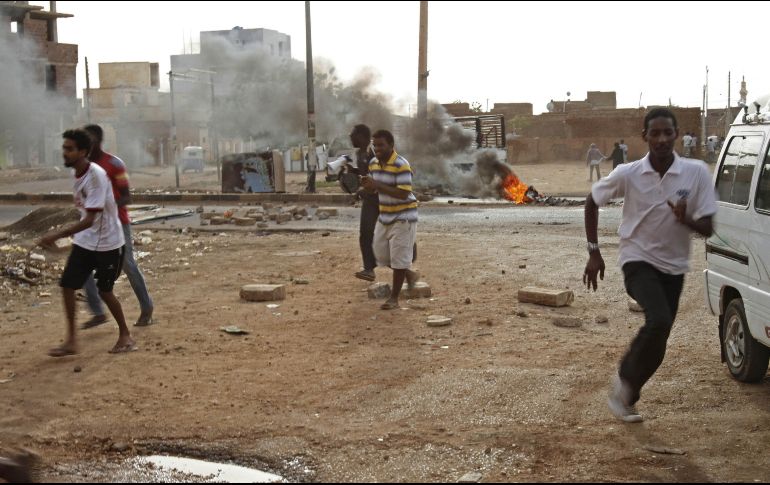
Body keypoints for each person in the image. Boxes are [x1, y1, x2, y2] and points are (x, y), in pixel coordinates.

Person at [583, 108, 717, 423]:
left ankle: (628, 397)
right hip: (637, 260)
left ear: (676, 134)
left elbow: (709, 228)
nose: (660, 139)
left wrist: (687, 219)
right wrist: (593, 251)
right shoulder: (629, 173)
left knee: (660, 339)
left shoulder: (696, 172)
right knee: (657, 321)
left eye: (667, 133)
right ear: (644, 136)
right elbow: (592, 201)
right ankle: (623, 381)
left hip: (675, 267)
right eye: (654, 133)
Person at [38, 129, 135, 356]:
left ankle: (125, 335)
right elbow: (85, 215)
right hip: (86, 241)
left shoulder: (96, 176)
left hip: (108, 242)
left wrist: (56, 235)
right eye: (64, 148)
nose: (65, 153)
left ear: (83, 151)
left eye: (70, 149)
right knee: (67, 286)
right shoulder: (78, 173)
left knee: (105, 291)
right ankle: (71, 340)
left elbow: (91, 219)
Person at [80, 124, 154, 329]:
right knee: (83, 264)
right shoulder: (83, 167)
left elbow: (126, 196)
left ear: (98, 141)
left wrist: (106, 209)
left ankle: (147, 308)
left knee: (128, 265)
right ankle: (98, 312)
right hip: (93, 225)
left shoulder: (114, 163)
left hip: (117, 223)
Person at [360, 129, 420, 310]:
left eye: (381, 145)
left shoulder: (402, 164)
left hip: (404, 216)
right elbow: (375, 190)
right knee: (381, 255)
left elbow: (403, 193)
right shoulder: (373, 164)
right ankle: (409, 275)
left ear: (391, 146)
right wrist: (366, 187)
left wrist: (376, 184)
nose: (377, 149)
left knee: (399, 258)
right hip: (385, 215)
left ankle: (394, 298)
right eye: (375, 145)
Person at [348, 124, 380, 282]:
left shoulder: (372, 153)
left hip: (378, 198)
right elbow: (366, 174)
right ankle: (369, 268)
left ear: (362, 137)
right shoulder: (361, 153)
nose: (350, 136)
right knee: (366, 234)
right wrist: (353, 171)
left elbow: (377, 177)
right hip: (370, 198)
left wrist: (360, 192)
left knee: (387, 234)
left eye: (353, 134)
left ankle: (405, 269)